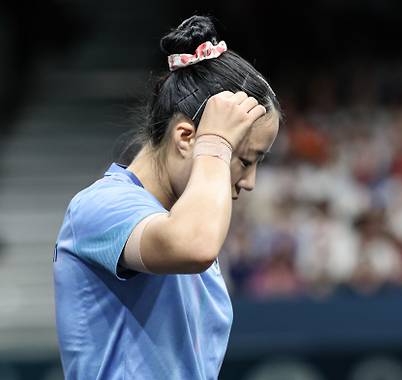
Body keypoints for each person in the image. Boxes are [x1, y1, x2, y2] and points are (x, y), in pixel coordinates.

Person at [52, 15, 281, 379]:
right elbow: (192, 246)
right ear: (186, 137)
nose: (249, 180)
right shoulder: (100, 207)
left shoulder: (189, 214)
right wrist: (217, 144)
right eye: (244, 159)